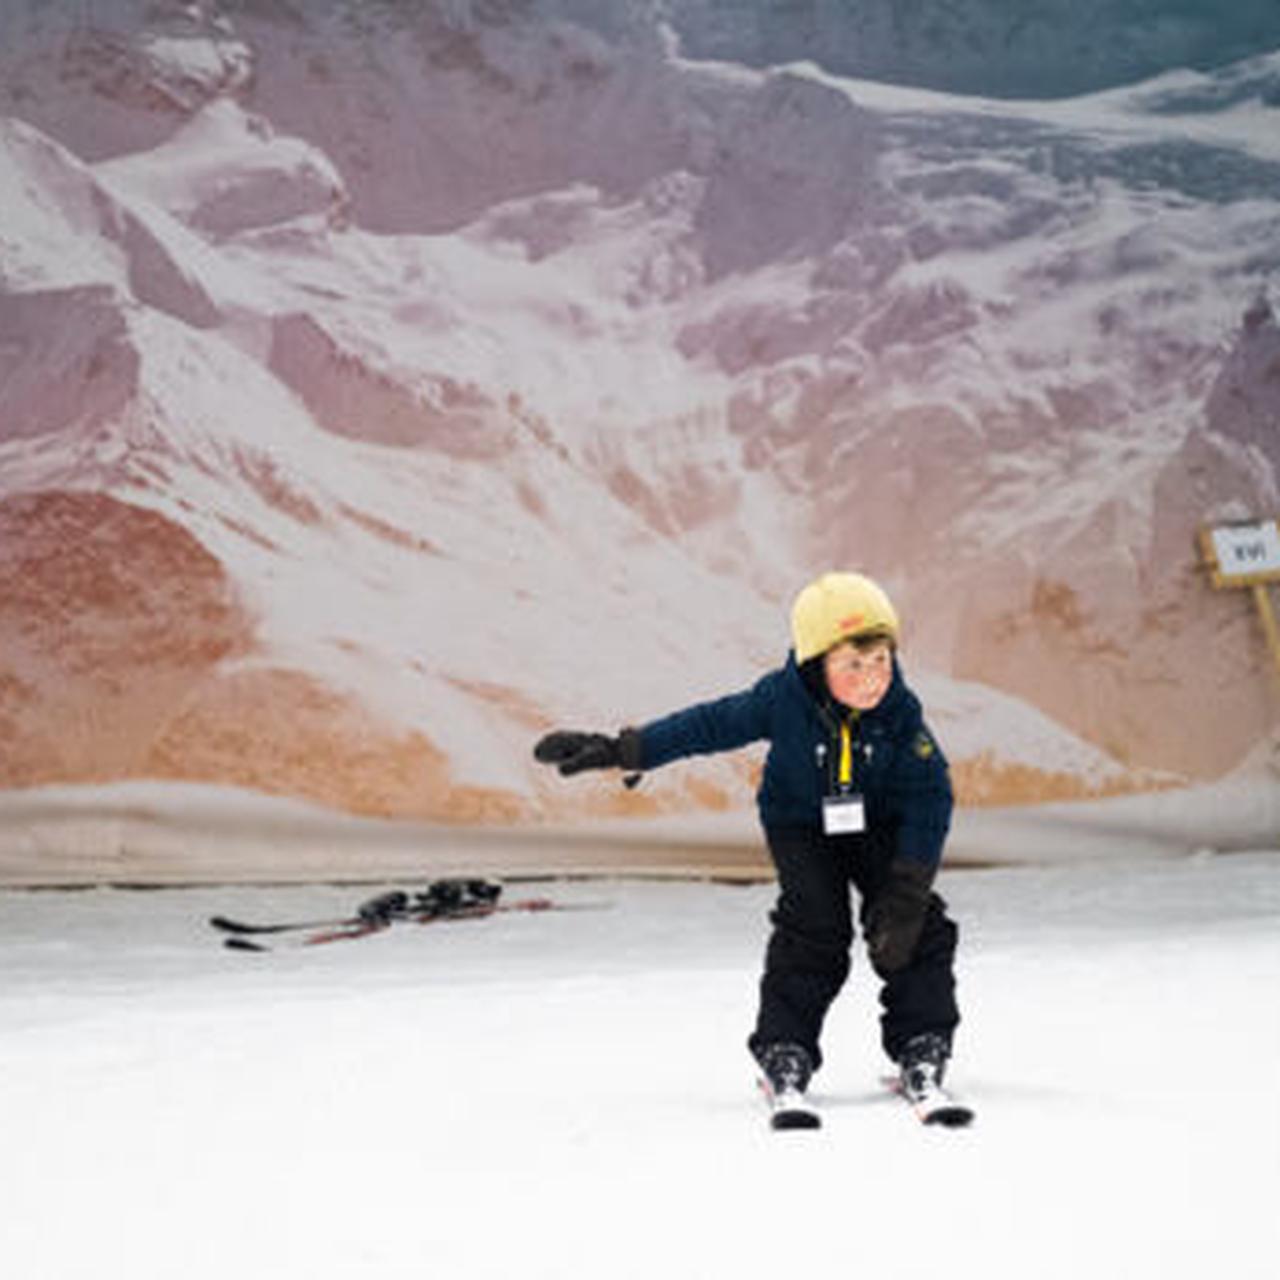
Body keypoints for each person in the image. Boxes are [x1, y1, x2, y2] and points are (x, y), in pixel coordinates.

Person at [533, 571, 961, 1127]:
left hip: (879, 822)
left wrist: (908, 887)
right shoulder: (782, 699)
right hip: (800, 824)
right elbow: (709, 725)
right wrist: (627, 750)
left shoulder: (902, 714)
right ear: (816, 664)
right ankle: (786, 1051)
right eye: (853, 664)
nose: (872, 678)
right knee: (815, 929)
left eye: (881, 660)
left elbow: (932, 794)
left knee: (913, 925)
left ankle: (922, 1045)